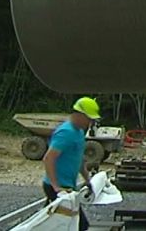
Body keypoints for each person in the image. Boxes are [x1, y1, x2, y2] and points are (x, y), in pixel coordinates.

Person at [42, 96, 100, 231]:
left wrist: (88, 180)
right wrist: (57, 188)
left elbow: (78, 159)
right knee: (80, 225)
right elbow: (48, 159)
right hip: (58, 187)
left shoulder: (79, 132)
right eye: (89, 118)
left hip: (67, 186)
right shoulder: (66, 132)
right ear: (79, 114)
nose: (90, 122)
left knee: (56, 223)